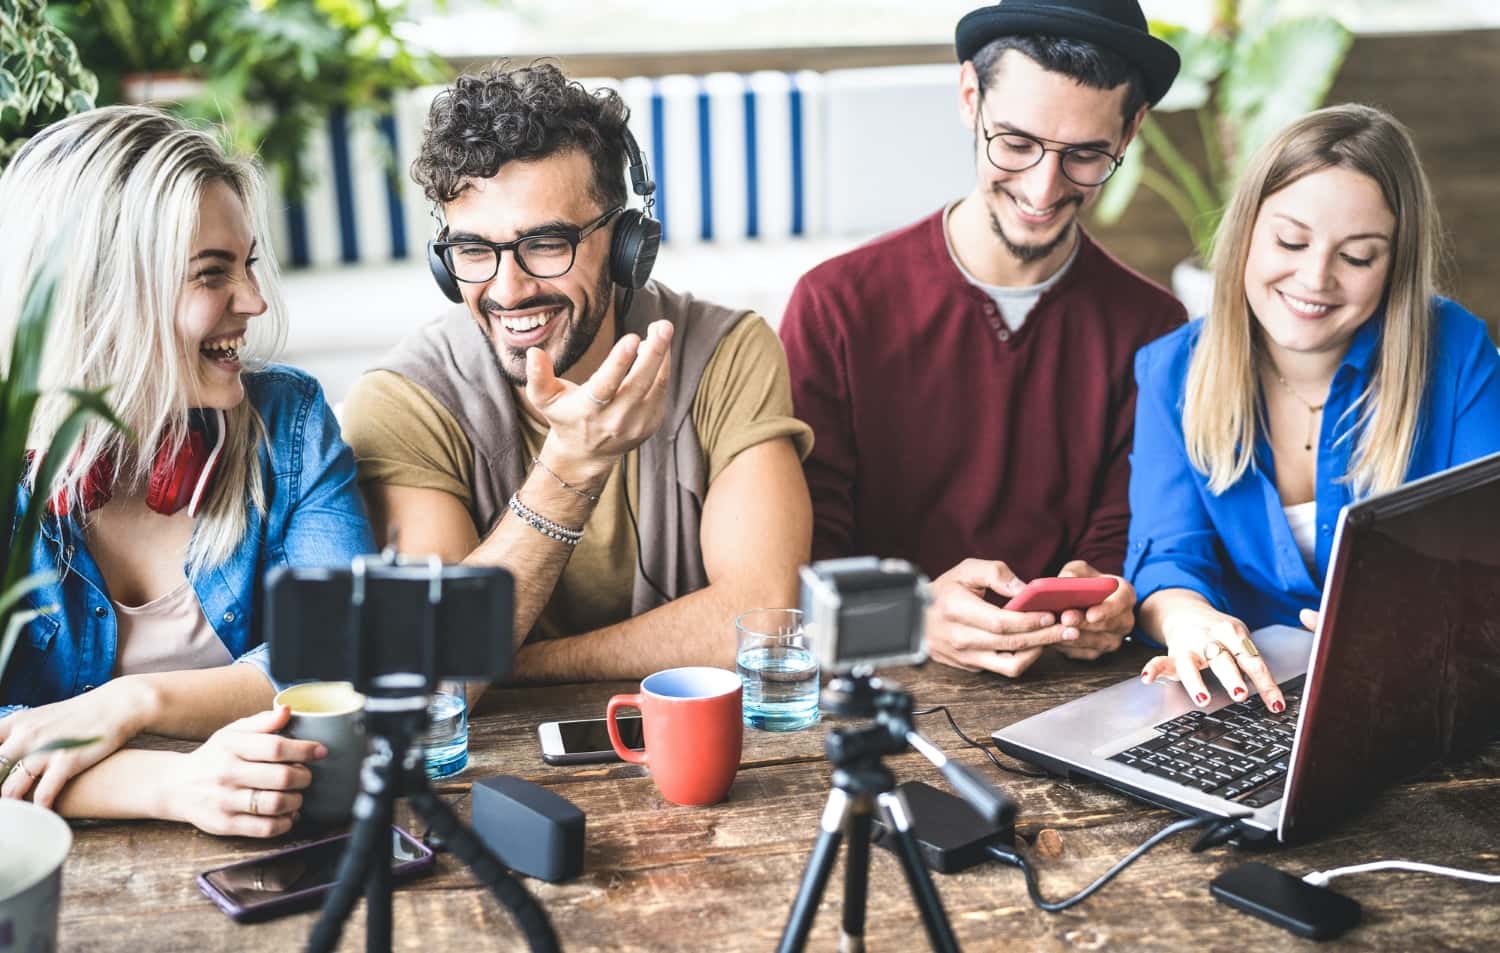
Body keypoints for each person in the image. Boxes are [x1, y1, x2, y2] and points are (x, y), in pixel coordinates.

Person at [340, 63, 812, 684]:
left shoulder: (727, 353)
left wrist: (519, 663)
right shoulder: (402, 402)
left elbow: (763, 617)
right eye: (474, 251)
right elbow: (438, 674)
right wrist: (573, 463)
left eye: (545, 244)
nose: (508, 291)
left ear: (627, 245)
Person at [779, 0, 1186, 677]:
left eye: (1085, 155)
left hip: (1077, 692)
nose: (1042, 188)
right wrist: (913, 615)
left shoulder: (1156, 330)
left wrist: (1111, 599)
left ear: (1131, 130)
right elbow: (797, 563)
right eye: (1017, 144)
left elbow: (1134, 540)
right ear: (970, 97)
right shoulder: (835, 306)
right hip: (874, 687)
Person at [0, 106, 375, 836]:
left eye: (249, 263)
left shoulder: (290, 422)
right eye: (213, 274)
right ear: (104, 297)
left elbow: (348, 648)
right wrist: (171, 783)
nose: (255, 301)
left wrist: (134, 702)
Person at [1130, 103, 1500, 711]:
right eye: (1290, 240)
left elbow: (1487, 559)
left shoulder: (1456, 353)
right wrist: (1189, 618)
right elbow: (1168, 555)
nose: (1315, 278)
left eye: (1356, 256)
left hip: (1418, 695)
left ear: (1395, 265)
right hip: (1244, 698)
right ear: (1246, 229)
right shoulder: (1171, 369)